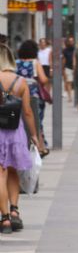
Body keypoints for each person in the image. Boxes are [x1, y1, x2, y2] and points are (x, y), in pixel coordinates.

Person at [0, 44, 39, 234]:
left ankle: (5, 219)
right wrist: (35, 136)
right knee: (14, 171)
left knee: (1, 173)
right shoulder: (21, 82)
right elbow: (28, 112)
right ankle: (15, 211)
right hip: (15, 132)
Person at [15, 40, 49, 157]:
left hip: (17, 96)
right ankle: (40, 146)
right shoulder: (35, 63)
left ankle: (24, 142)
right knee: (37, 121)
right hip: (33, 96)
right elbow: (43, 80)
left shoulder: (15, 63)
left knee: (21, 120)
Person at [62, 37, 75, 103]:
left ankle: (75, 97)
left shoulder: (75, 49)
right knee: (69, 82)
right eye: (70, 41)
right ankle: (70, 97)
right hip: (68, 67)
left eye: (72, 41)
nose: (71, 42)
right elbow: (64, 59)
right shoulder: (65, 50)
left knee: (74, 83)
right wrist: (63, 68)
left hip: (75, 68)